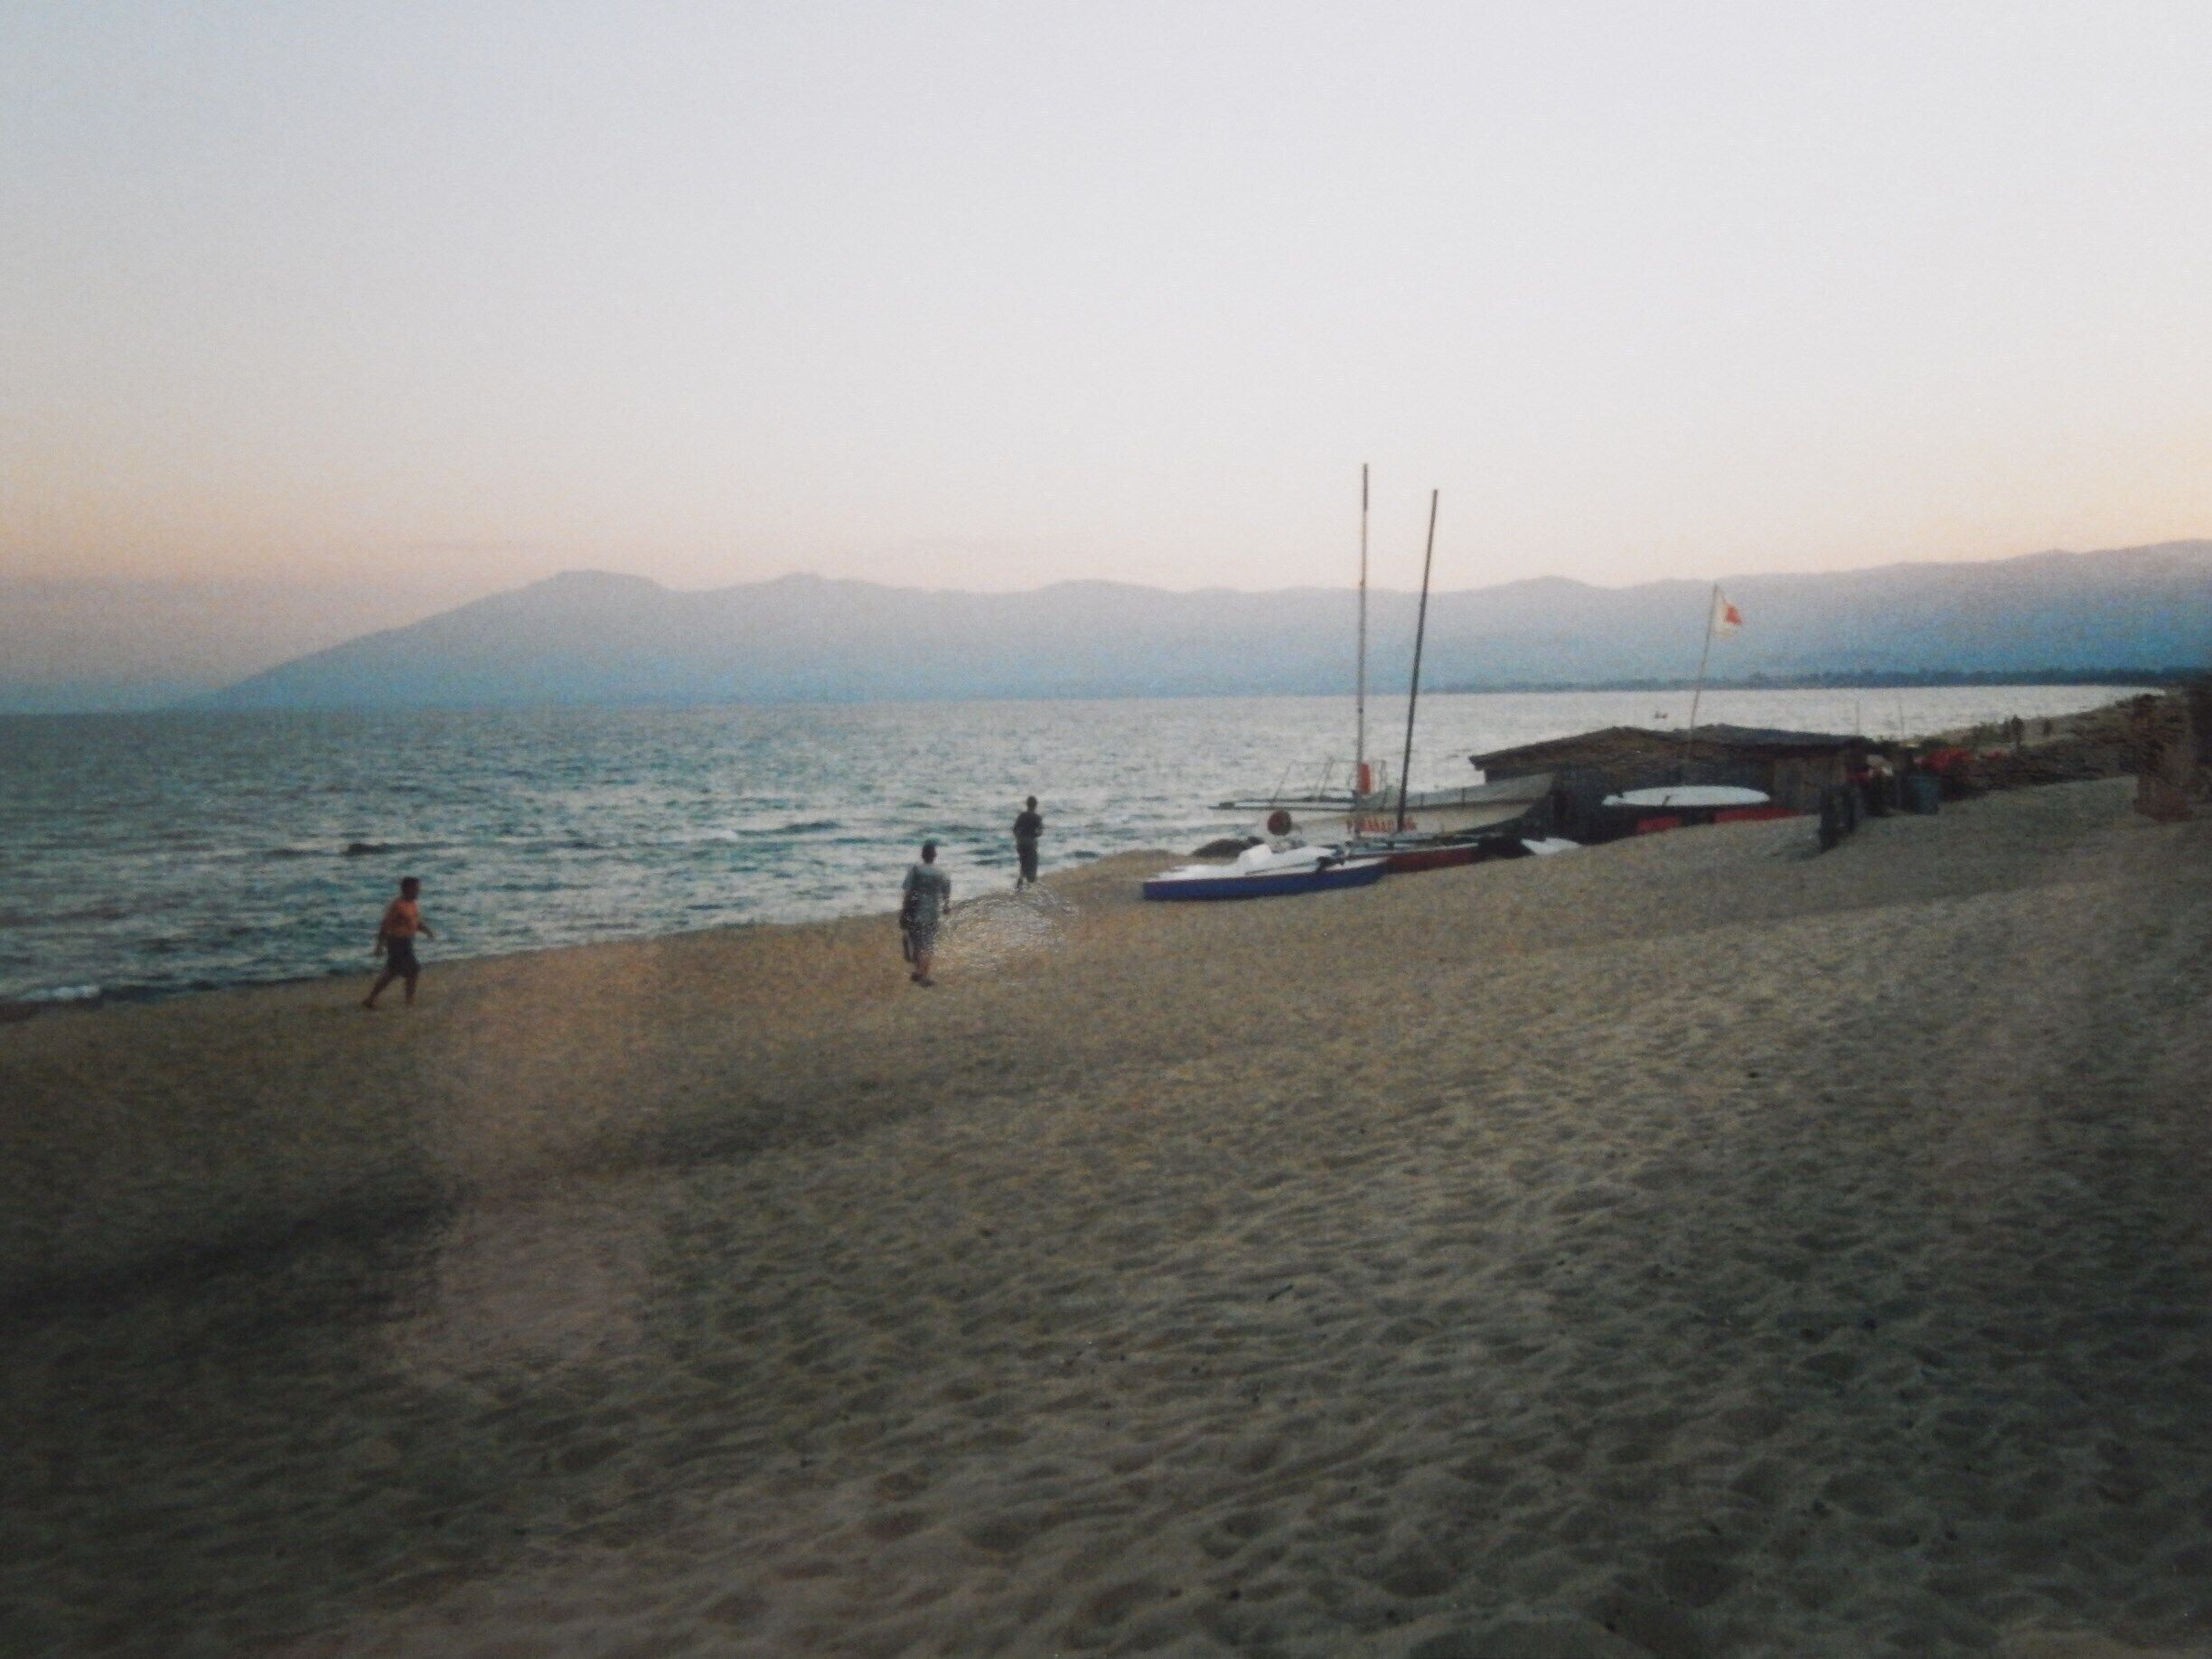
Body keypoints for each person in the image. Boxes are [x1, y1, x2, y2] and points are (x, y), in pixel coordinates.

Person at [364, 876, 435, 1009]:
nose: (418, 892)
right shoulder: (397, 905)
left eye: (418, 889)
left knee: (392, 973)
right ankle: (409, 1001)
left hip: (407, 942)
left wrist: (426, 930)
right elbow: (385, 926)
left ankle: (370, 999)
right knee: (413, 970)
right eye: (415, 889)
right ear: (406, 889)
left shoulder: (412, 904)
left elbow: (415, 922)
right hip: (397, 942)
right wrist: (379, 946)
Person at [900, 841, 952, 986]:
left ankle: (920, 973)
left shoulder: (915, 870)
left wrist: (904, 909)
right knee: (928, 944)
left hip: (915, 910)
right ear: (935, 856)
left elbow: (907, 891)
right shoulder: (941, 873)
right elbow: (946, 892)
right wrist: (946, 906)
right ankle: (923, 974)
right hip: (933, 911)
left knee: (917, 943)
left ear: (922, 854)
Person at [1012, 796, 1044, 890]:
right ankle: (1029, 885)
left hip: (1021, 842)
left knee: (1023, 863)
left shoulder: (1022, 816)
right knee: (1032, 862)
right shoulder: (1037, 817)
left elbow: (1015, 829)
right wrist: (1034, 834)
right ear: (1035, 805)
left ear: (1027, 804)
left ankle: (1020, 883)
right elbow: (1040, 832)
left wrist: (1019, 837)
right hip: (1031, 842)